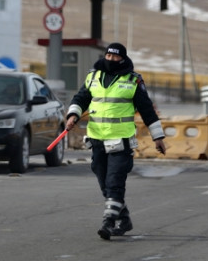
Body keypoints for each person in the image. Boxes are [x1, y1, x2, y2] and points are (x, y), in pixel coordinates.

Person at [65, 42, 166, 240]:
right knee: (104, 180)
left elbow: (147, 110)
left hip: (121, 140)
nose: (110, 60)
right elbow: (81, 98)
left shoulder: (132, 80)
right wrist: (72, 115)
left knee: (114, 181)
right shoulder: (93, 76)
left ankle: (108, 222)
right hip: (97, 139)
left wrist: (158, 137)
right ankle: (125, 218)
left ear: (123, 58)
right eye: (108, 56)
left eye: (115, 57)